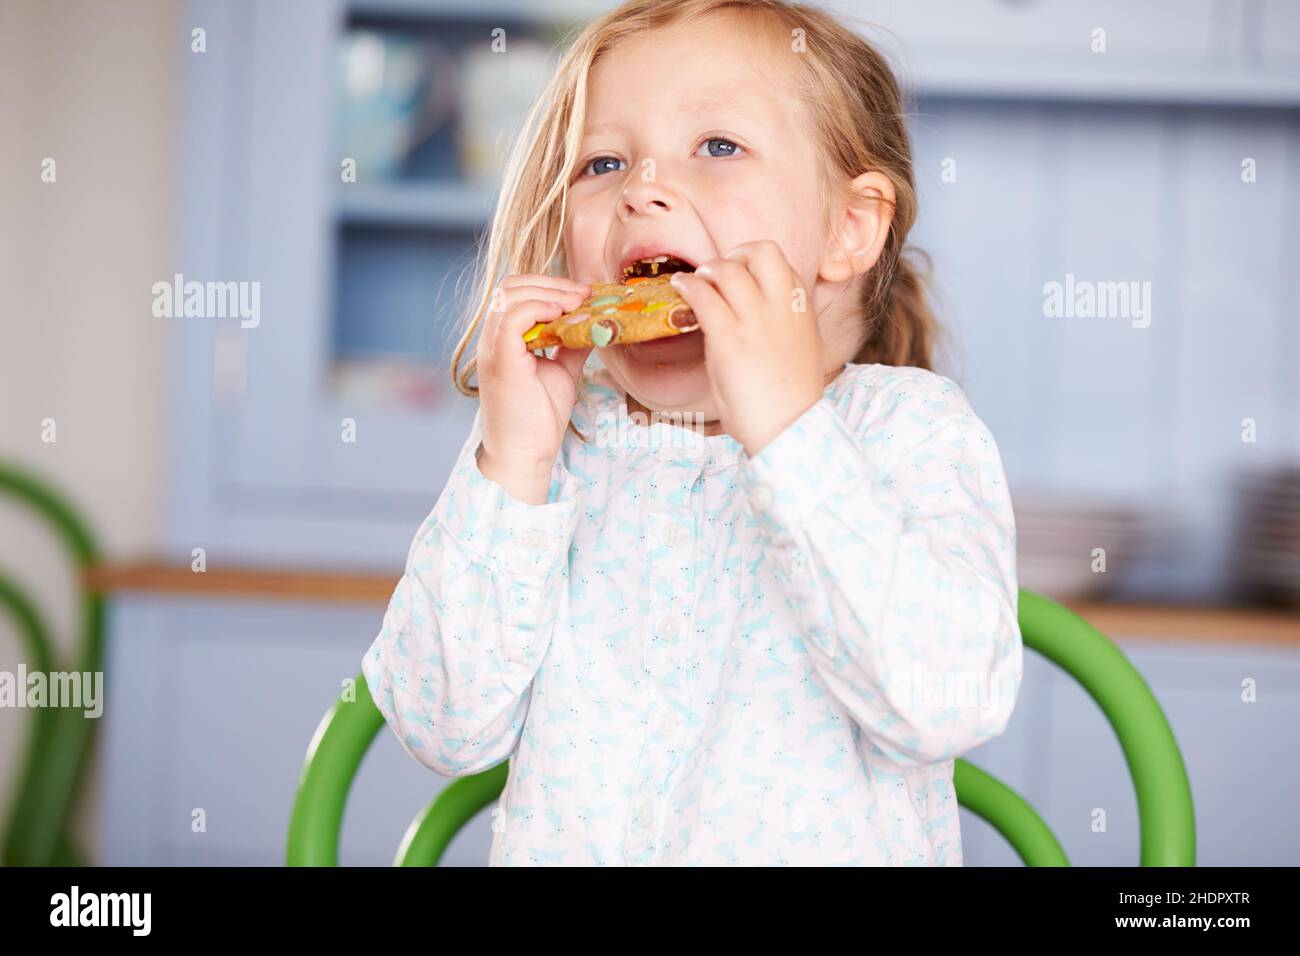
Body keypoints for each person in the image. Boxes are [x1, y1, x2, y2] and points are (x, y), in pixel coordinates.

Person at [363, 0, 1022, 866]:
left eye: (718, 146)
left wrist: (789, 433)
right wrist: (511, 462)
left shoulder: (908, 434)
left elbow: (949, 702)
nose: (640, 188)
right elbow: (440, 727)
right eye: (602, 161)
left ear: (850, 227)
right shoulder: (559, 453)